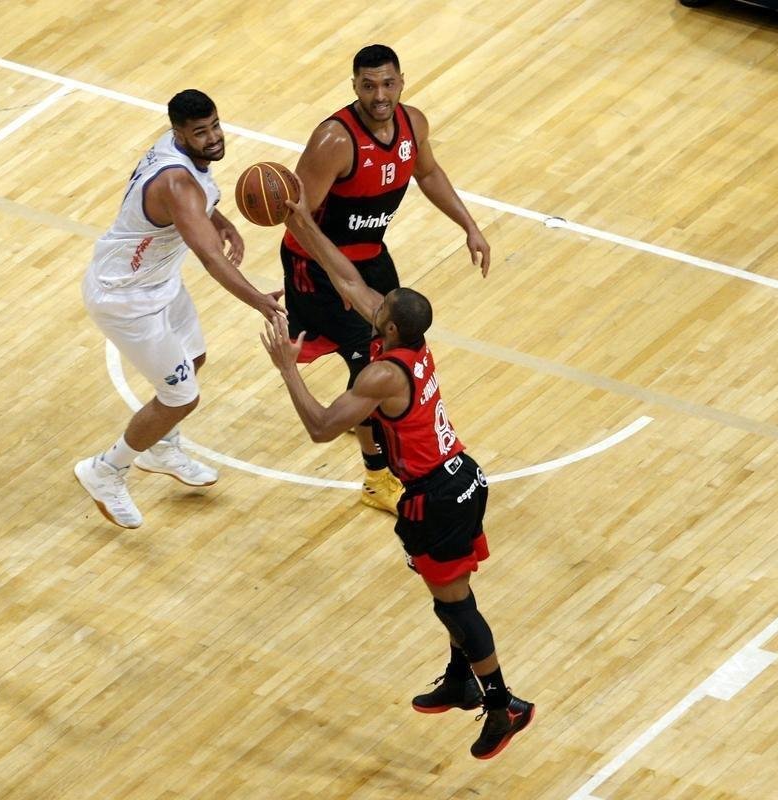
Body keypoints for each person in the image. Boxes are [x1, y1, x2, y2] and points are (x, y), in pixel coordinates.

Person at [261, 185, 532, 760]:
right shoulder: (413, 343)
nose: (369, 305)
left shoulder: (382, 376)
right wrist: (299, 222)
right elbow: (348, 280)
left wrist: (288, 369)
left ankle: (505, 703)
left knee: (454, 603)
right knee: (450, 592)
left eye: (377, 311)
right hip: (459, 476)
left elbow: (321, 427)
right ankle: (462, 681)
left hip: (439, 495)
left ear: (384, 328)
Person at [281, 44, 492, 516]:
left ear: (402, 81)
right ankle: (377, 478)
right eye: (368, 85)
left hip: (372, 256)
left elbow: (430, 173)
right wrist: (337, 273)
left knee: (389, 353)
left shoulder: (413, 124)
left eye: (388, 83)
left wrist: (470, 226)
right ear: (354, 86)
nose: (380, 94)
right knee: (368, 363)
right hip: (316, 264)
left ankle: (366, 419)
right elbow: (296, 218)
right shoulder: (333, 142)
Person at [75, 89, 283, 529]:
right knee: (181, 395)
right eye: (200, 133)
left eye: (215, 127)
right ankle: (106, 470)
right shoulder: (176, 184)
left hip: (159, 282)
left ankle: (161, 447)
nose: (212, 139)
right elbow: (209, 257)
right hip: (126, 299)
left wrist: (222, 221)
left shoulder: (177, 156)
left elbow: (198, 206)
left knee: (195, 359)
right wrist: (260, 301)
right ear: (179, 133)